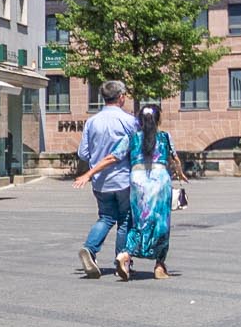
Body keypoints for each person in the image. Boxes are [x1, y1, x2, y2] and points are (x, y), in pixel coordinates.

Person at [70, 80, 139, 279]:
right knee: (125, 220)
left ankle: (90, 249)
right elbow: (136, 147)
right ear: (121, 97)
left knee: (106, 217)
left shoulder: (92, 121)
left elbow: (83, 153)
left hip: (100, 181)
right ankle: (122, 258)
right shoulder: (129, 121)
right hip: (123, 178)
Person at [113, 104, 186, 280]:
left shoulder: (131, 137)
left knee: (139, 221)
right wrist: (181, 173)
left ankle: (126, 254)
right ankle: (159, 265)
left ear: (140, 120)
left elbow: (115, 155)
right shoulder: (165, 137)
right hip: (160, 180)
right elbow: (175, 159)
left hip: (138, 181)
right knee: (161, 223)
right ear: (158, 119)